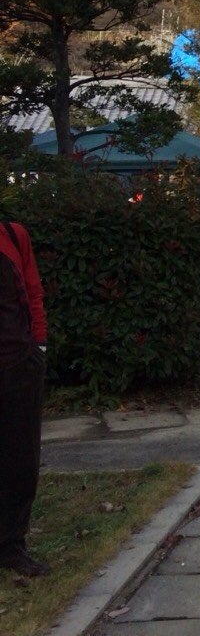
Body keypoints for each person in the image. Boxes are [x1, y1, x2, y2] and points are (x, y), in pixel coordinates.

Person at [0, 220, 50, 577]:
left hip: (17, 364)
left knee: (20, 459)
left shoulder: (13, 235)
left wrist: (40, 347)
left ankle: (11, 545)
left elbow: (33, 292)